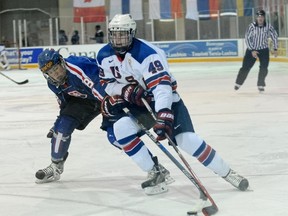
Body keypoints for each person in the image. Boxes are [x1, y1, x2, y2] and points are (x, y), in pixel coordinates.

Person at [97, 14, 249, 195]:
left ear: (132, 33)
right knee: (121, 129)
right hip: (140, 105)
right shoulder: (104, 55)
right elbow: (106, 83)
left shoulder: (148, 54)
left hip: (166, 102)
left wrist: (164, 114)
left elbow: (162, 87)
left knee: (186, 141)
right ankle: (155, 172)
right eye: (114, 35)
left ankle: (227, 172)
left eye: (122, 34)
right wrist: (125, 91)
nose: (118, 39)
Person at [35, 49, 106, 183]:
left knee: (118, 134)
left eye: (56, 68)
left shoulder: (77, 68)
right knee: (62, 128)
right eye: (50, 72)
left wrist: (115, 106)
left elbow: (101, 87)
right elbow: (65, 104)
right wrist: (58, 123)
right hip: (87, 101)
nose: (55, 74)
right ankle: (56, 165)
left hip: (107, 94)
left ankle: (152, 166)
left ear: (62, 63)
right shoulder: (53, 84)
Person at [234, 10, 278, 92]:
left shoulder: (269, 27)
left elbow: (274, 36)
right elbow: (247, 38)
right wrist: (252, 50)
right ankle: (238, 83)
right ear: (256, 17)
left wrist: (275, 48)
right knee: (245, 67)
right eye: (258, 17)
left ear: (264, 17)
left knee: (264, 68)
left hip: (264, 50)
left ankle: (260, 84)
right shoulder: (251, 26)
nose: (260, 18)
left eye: (261, 17)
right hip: (252, 49)